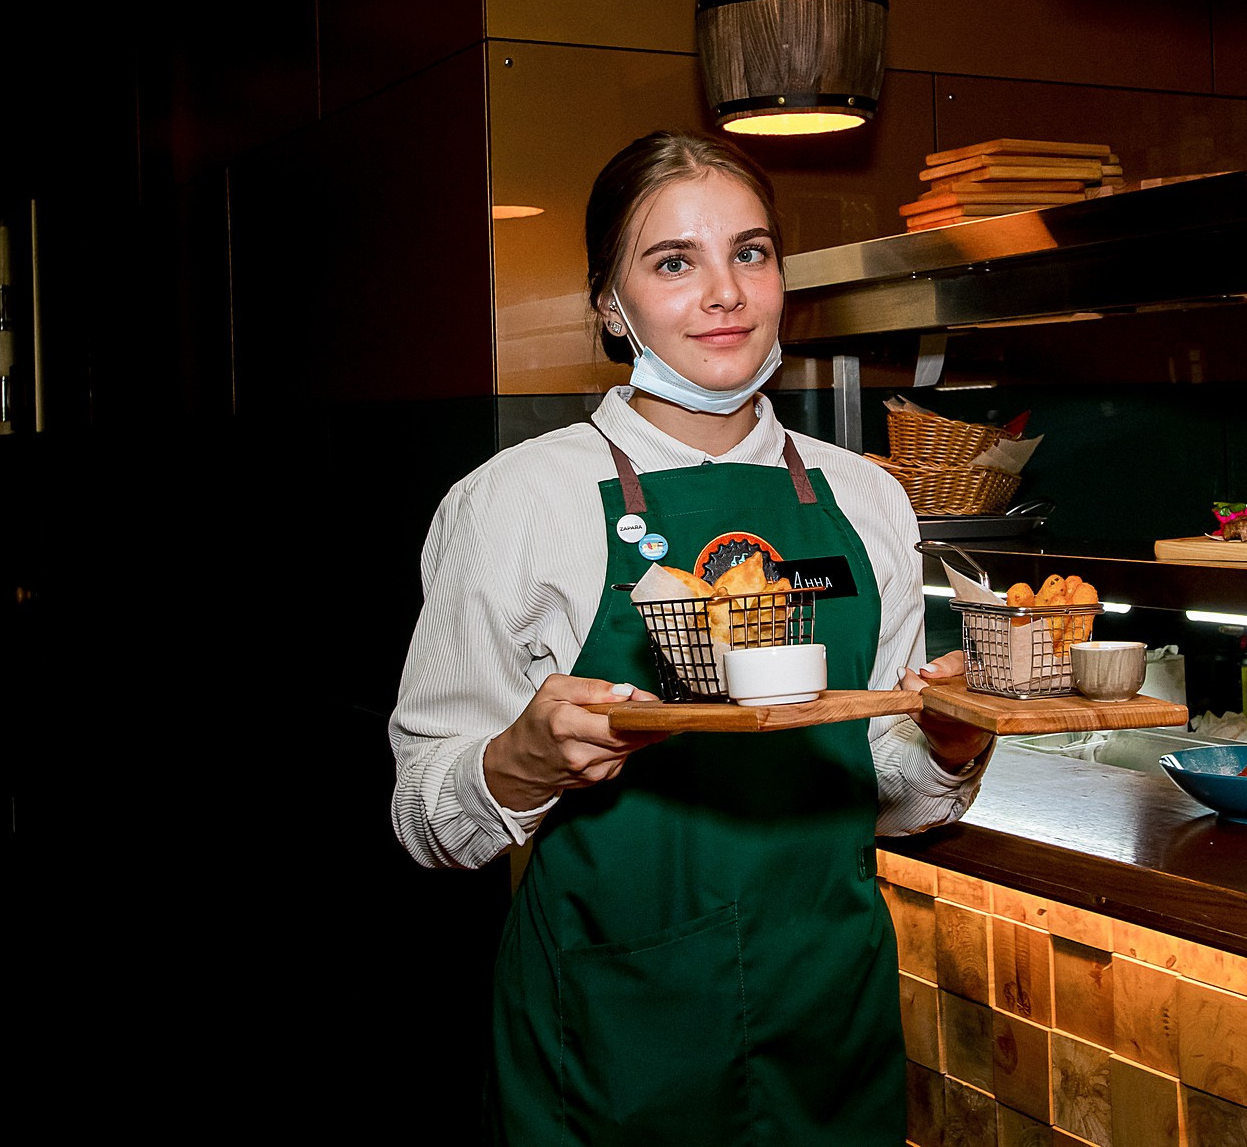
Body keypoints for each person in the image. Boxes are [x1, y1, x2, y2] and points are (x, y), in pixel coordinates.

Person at [389, 129, 995, 1145]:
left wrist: (944, 743)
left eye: (748, 252)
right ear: (606, 303)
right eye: (674, 262)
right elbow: (423, 815)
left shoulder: (867, 498)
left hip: (828, 1023)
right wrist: (516, 761)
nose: (724, 293)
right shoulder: (515, 504)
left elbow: (882, 789)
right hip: (611, 1038)